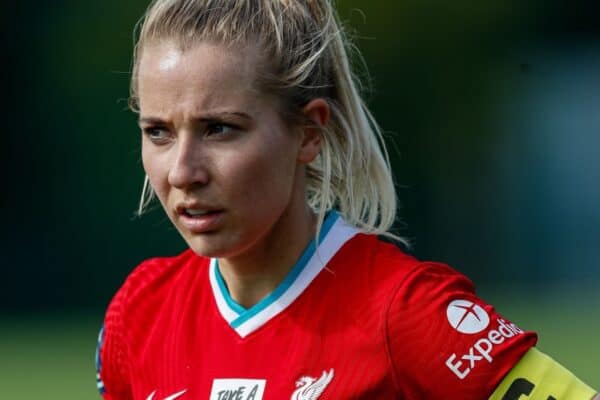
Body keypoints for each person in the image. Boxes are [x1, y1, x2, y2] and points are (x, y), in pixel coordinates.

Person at [95, 1, 598, 399]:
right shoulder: (138, 315)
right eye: (158, 132)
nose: (183, 171)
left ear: (309, 132)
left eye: (220, 129)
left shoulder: (405, 314)